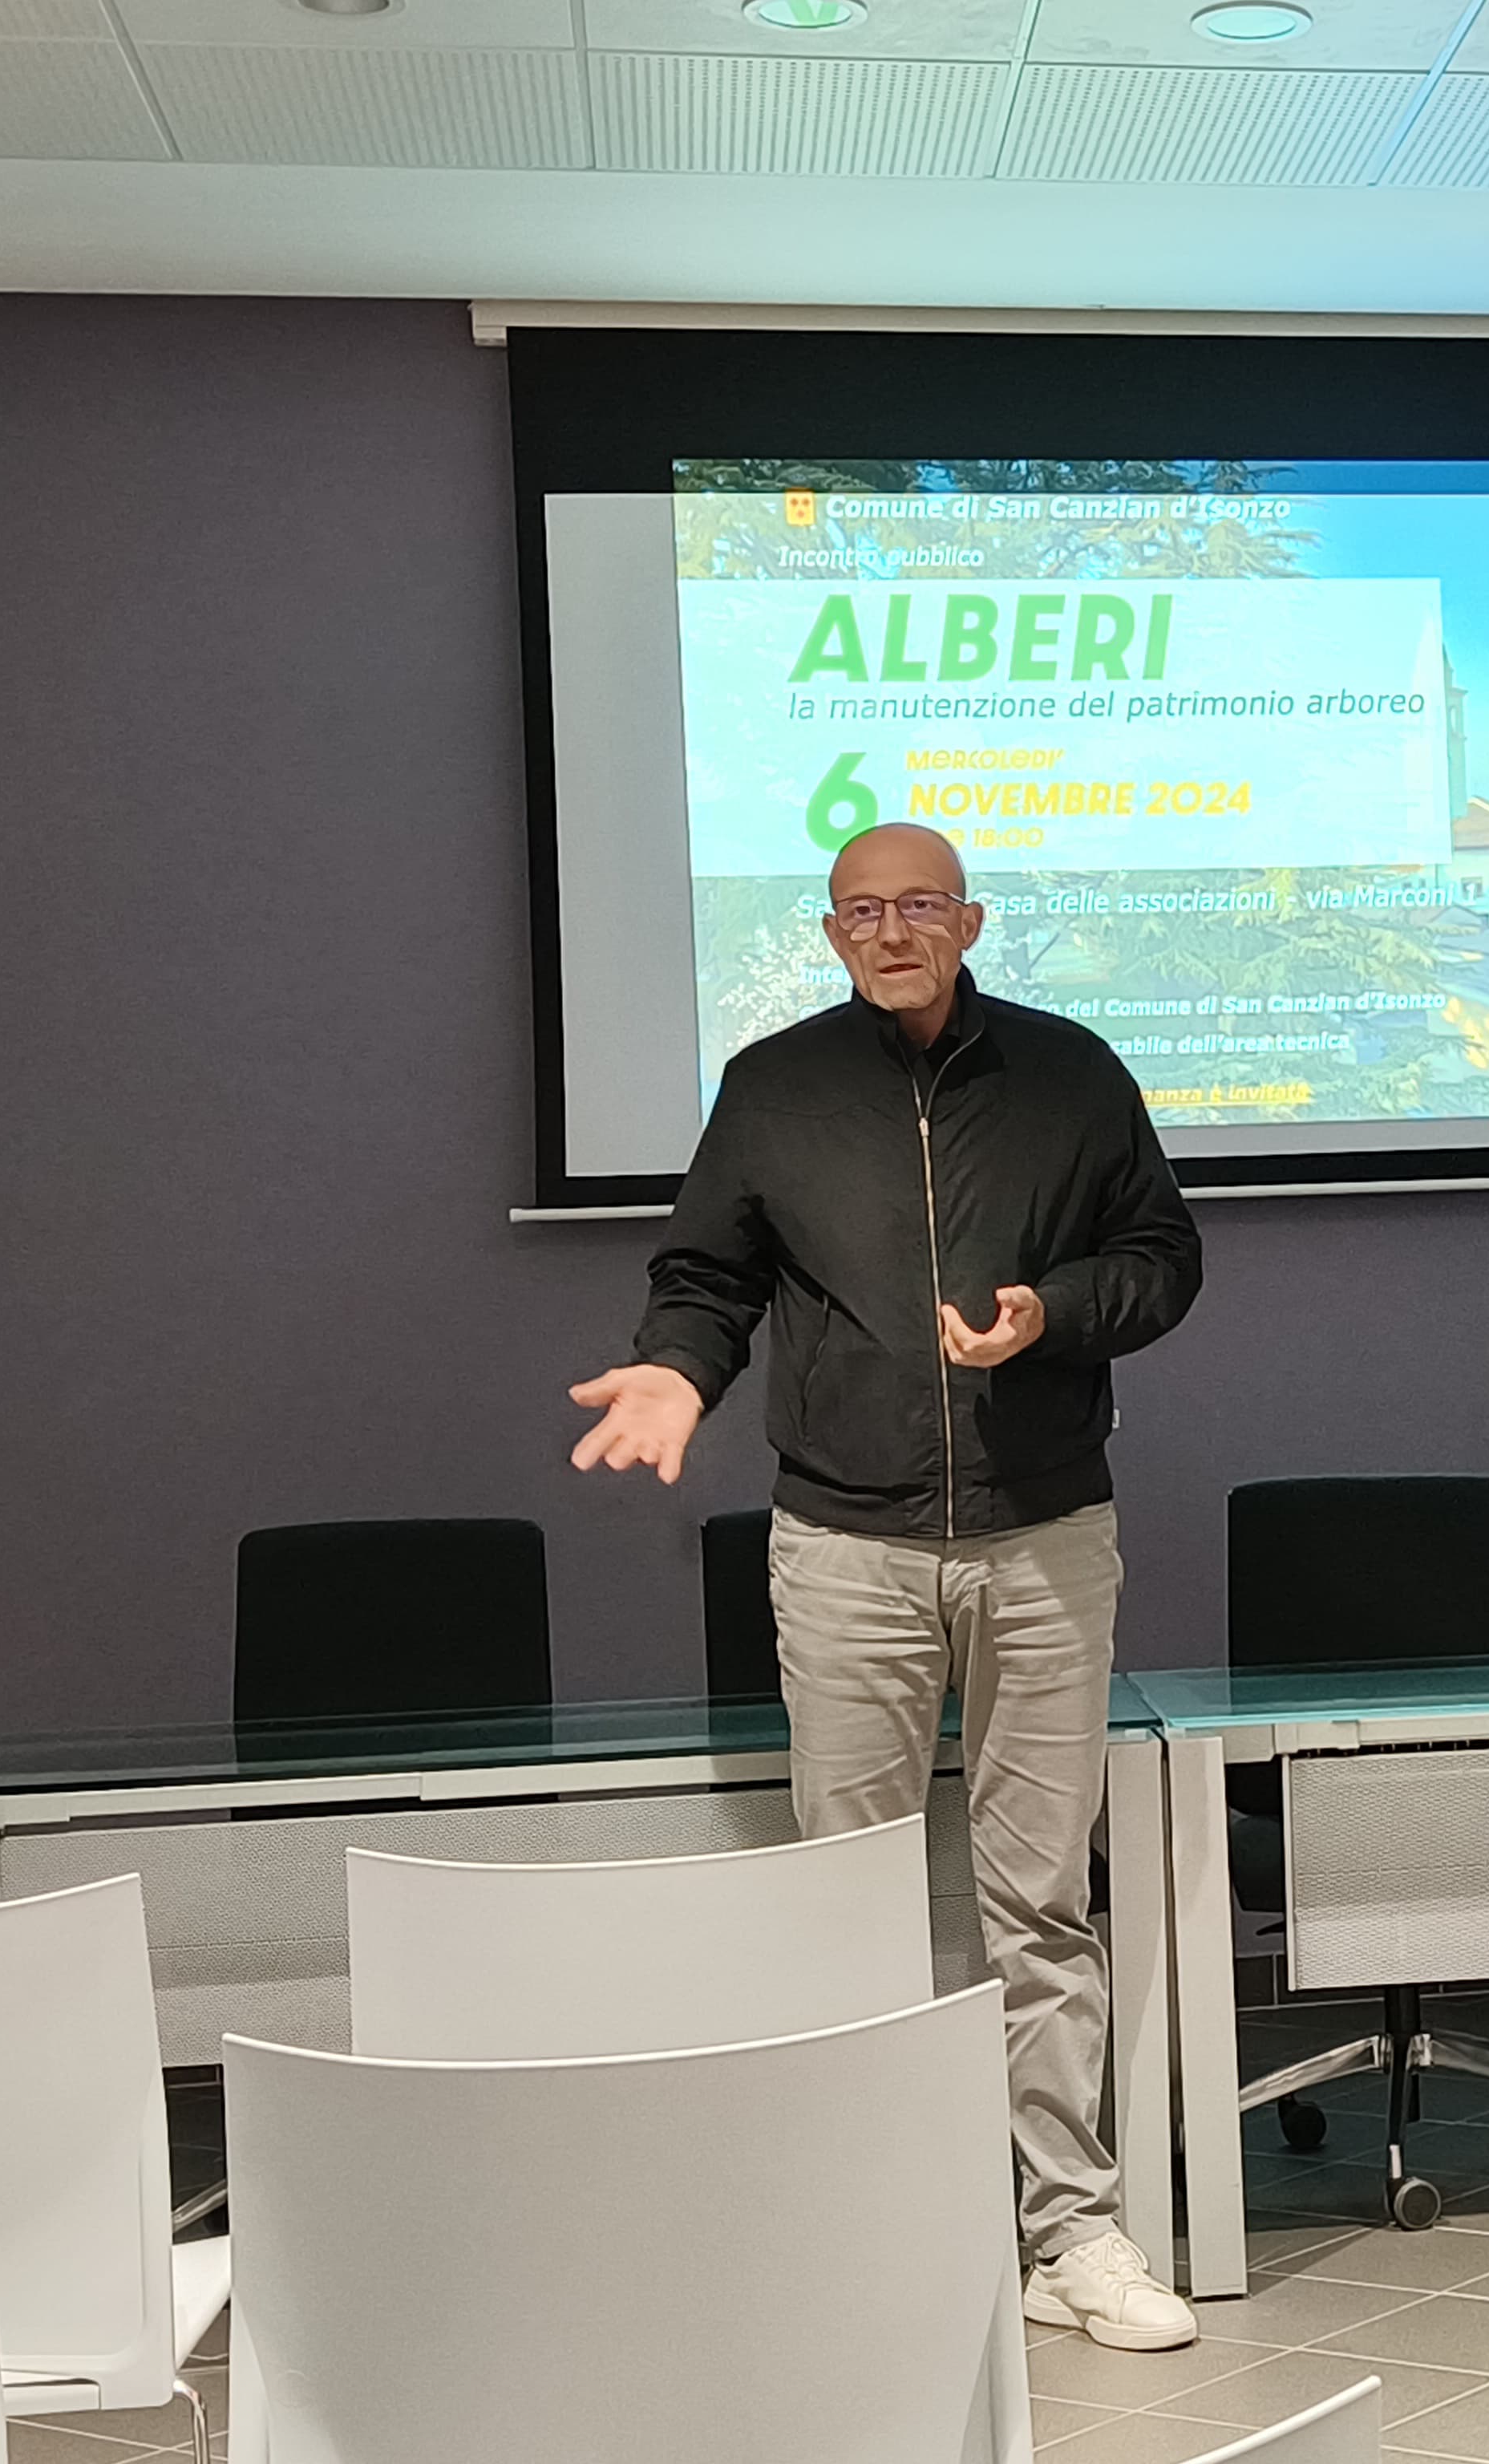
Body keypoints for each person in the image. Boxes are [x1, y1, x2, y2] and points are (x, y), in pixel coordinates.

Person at [568, 821, 1207, 2350]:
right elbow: (707, 1276)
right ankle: (869, 2223)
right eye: (863, 910)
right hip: (845, 1544)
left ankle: (1072, 2234)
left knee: (1037, 1898)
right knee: (843, 1900)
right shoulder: (777, 1085)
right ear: (834, 931)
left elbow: (1165, 1259)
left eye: (918, 904)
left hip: (1043, 1531)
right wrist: (673, 1372)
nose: (891, 929)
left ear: (969, 918)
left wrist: (1048, 1313)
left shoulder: (1069, 1071)